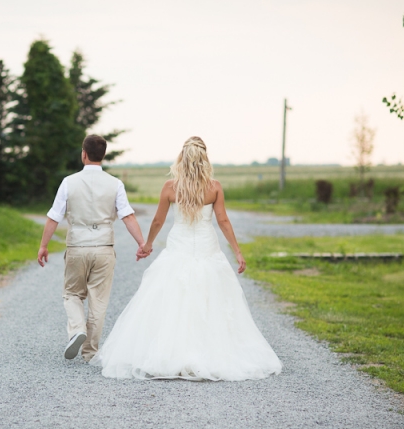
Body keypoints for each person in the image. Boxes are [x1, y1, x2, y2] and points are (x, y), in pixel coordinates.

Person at [90, 136, 282, 380]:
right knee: (209, 295)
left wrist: (147, 244)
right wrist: (237, 252)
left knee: (173, 294)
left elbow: (158, 220)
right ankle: (210, 351)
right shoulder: (214, 187)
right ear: (204, 159)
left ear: (182, 158)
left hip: (178, 245)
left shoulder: (171, 187)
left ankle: (170, 352)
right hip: (206, 247)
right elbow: (223, 221)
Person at [38, 134, 148, 361]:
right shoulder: (115, 184)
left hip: (77, 246)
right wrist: (141, 243)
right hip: (104, 247)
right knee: (98, 300)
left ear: (84, 154)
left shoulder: (69, 182)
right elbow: (127, 216)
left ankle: (77, 328)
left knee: (71, 294)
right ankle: (90, 352)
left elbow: (53, 217)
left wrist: (43, 246)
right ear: (103, 155)